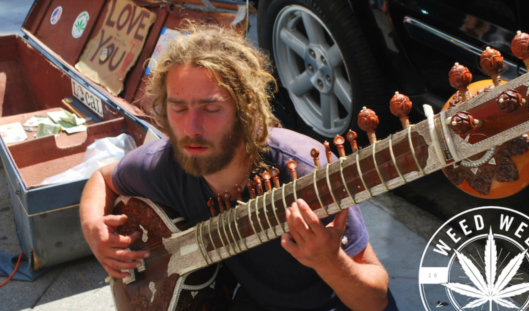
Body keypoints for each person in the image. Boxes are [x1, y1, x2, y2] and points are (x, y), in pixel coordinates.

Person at [80, 23, 396, 311]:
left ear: (245, 109)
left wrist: (332, 262)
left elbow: (375, 298)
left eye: (211, 108)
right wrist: (93, 227)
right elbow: (102, 178)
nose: (191, 128)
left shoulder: (303, 173)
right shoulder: (166, 164)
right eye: (178, 108)